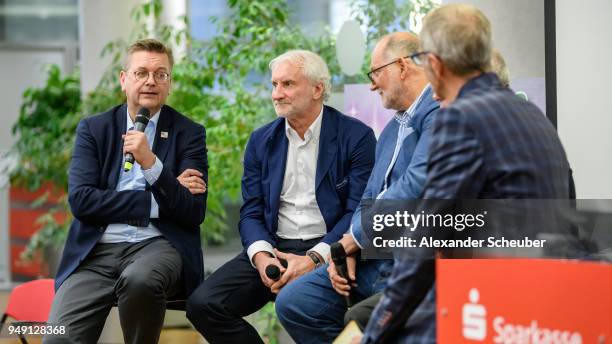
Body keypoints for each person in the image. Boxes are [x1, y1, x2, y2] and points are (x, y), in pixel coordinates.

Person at [361, 4, 571, 343]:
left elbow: (427, 239)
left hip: (492, 303)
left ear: (436, 64)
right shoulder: (531, 113)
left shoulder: (459, 117)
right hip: (543, 302)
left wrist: (376, 333)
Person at [185, 50, 376, 344]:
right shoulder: (261, 140)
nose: (277, 94)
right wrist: (261, 256)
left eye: (287, 84)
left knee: (303, 305)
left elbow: (357, 211)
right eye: (274, 85)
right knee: (204, 305)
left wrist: (315, 258)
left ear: (317, 89)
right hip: (276, 247)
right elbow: (251, 211)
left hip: (330, 246)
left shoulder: (356, 136)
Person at [274, 32, 440, 343]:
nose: (372, 84)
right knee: (296, 303)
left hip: (406, 258)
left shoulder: (439, 115)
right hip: (370, 254)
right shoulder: (391, 129)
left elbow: (415, 187)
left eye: (376, 72)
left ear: (403, 66)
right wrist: (348, 249)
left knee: (363, 317)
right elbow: (369, 193)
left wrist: (355, 241)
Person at [44, 38, 208, 344]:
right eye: (141, 72)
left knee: (140, 281)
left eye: (161, 74)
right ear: (124, 79)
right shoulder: (95, 129)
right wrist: (159, 198)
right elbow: (82, 201)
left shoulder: (189, 133)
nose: (151, 81)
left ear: (169, 84)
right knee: (57, 339)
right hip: (97, 252)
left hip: (157, 245)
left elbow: (192, 211)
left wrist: (150, 162)